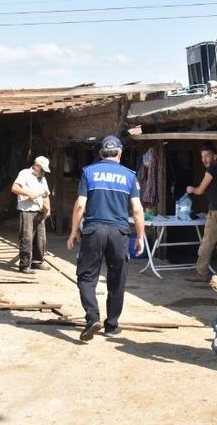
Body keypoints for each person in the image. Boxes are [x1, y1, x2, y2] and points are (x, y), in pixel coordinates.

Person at [67, 136, 145, 342]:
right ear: (120, 153)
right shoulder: (129, 176)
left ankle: (93, 317)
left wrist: (74, 230)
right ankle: (111, 326)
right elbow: (137, 209)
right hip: (119, 233)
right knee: (117, 279)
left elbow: (80, 205)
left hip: (94, 230)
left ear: (101, 153)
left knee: (86, 277)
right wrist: (140, 235)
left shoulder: (88, 172)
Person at [185, 143, 217, 280]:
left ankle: (201, 273)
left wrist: (191, 189)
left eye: (207, 155)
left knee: (207, 242)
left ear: (215, 156)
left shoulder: (212, 170)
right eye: (202, 157)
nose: (204, 159)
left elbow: (200, 190)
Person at [11, 156, 52, 274]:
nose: (43, 172)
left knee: (40, 238)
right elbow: (14, 188)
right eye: (42, 169)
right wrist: (28, 193)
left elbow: (46, 195)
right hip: (27, 211)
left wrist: (47, 209)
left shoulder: (43, 179)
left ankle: (37, 262)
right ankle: (24, 265)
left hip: (39, 211)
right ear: (37, 165)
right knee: (27, 238)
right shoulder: (24, 173)